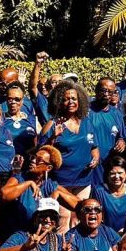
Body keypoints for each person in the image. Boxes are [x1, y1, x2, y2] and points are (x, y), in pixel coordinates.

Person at [39, 79, 98, 231]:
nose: (70, 102)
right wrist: (53, 136)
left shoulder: (87, 122)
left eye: (74, 98)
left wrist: (96, 158)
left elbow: (94, 147)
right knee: (62, 221)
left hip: (83, 181)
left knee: (81, 220)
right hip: (61, 183)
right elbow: (41, 154)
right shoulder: (52, 124)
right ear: (59, 102)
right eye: (66, 99)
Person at [0, 145, 80, 234]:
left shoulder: (49, 185)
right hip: (19, 234)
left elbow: (79, 205)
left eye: (39, 160)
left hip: (41, 235)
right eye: (33, 157)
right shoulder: (20, 178)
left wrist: (59, 193)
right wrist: (28, 183)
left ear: (48, 168)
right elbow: (4, 195)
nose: (33, 161)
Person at [79, 155, 126, 233]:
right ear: (107, 174)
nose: (117, 176)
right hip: (104, 234)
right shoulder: (99, 191)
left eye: (120, 173)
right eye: (112, 173)